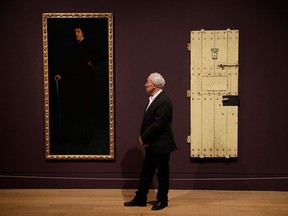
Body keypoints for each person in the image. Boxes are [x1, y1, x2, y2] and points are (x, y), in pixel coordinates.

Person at [124, 72, 177, 210]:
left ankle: (162, 200)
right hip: (152, 143)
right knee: (147, 171)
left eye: (147, 81)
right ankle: (140, 198)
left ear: (154, 85)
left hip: (161, 145)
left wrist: (144, 138)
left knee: (162, 173)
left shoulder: (164, 101)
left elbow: (158, 125)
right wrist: (146, 138)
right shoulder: (154, 99)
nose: (145, 84)